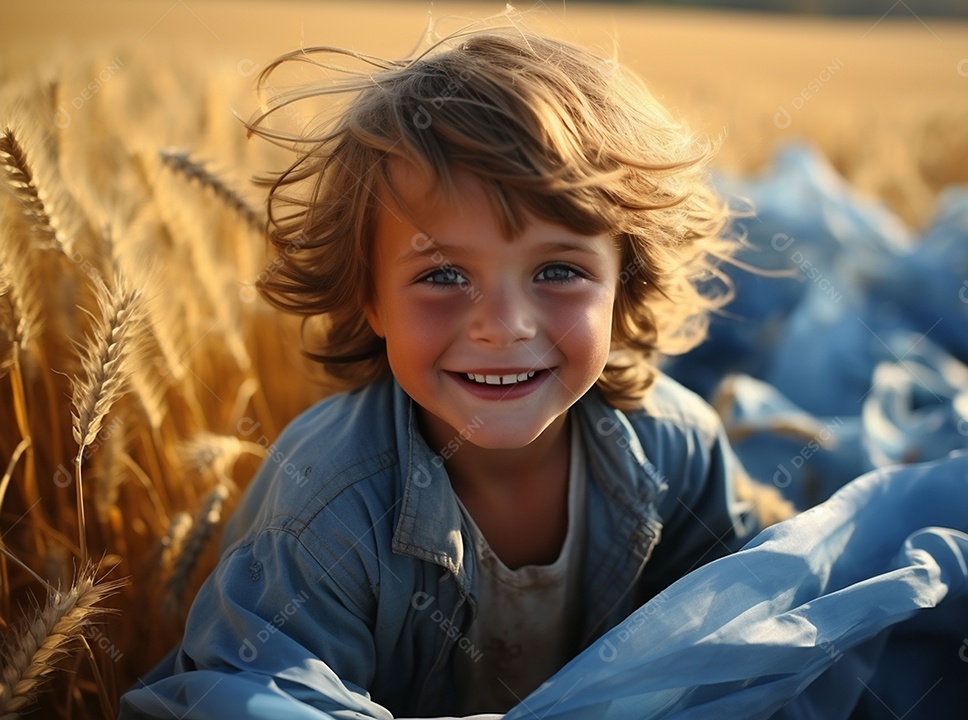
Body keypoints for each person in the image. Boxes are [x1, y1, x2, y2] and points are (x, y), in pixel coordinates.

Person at [120, 20, 772, 719]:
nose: (503, 324)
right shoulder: (327, 506)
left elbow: (744, 640)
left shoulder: (678, 448)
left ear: (625, 287)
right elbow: (255, 697)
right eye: (443, 274)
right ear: (369, 296)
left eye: (558, 270)